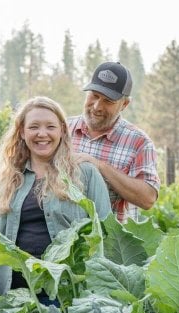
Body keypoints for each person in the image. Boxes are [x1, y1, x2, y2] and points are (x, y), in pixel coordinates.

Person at [0, 96, 111, 300]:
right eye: (34, 127)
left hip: (66, 292)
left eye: (50, 126)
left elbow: (106, 232)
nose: (42, 134)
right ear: (22, 132)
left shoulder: (85, 174)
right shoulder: (7, 178)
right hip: (10, 290)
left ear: (62, 131)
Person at [68, 61, 160, 223]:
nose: (97, 106)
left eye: (108, 101)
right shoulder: (62, 130)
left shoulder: (139, 143)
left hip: (110, 243)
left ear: (124, 104)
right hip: (62, 239)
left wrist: (100, 166)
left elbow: (148, 198)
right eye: (94, 96)